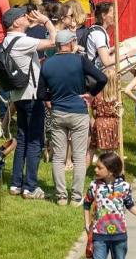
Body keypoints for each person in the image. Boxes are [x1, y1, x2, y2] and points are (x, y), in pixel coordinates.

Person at [40, 29, 107, 205]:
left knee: (58, 157)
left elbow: (41, 93)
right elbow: (102, 78)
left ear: (57, 45)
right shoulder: (80, 60)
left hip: (58, 112)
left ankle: (61, 196)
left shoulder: (47, 64)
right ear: (70, 43)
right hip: (78, 111)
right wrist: (91, 94)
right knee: (78, 157)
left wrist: (49, 100)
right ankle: (76, 197)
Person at [1, 6, 57, 199]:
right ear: (16, 22)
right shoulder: (22, 41)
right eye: (24, 16)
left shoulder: (7, 41)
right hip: (32, 95)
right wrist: (46, 21)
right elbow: (54, 41)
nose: (27, 17)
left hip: (18, 96)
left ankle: (16, 184)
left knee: (22, 139)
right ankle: (30, 187)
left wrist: (31, 24)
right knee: (35, 141)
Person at [88, 68, 122, 163]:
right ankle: (109, 168)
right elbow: (119, 111)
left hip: (100, 123)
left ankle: (83, 169)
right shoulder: (117, 96)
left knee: (92, 149)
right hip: (112, 124)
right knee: (111, 150)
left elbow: (94, 113)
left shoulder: (97, 94)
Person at [85, 2, 116, 71]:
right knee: (134, 54)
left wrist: (113, 49)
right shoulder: (98, 34)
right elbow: (106, 62)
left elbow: (99, 54)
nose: (115, 16)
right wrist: (127, 55)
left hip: (97, 68)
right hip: (96, 73)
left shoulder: (97, 30)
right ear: (104, 16)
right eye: (113, 13)